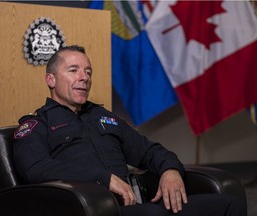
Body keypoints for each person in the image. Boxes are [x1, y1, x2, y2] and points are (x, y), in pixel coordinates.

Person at [13, 45, 246, 216]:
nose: (84, 77)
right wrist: (103, 179)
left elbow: (148, 151)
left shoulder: (104, 117)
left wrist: (170, 170)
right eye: (73, 70)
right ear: (51, 80)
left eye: (88, 72)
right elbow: (35, 169)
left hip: (137, 206)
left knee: (228, 204)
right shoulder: (36, 124)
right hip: (89, 209)